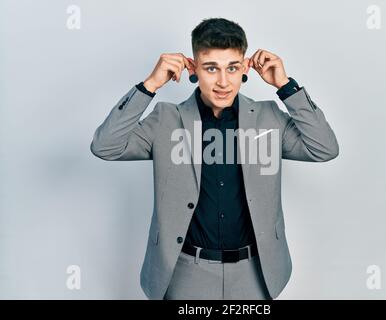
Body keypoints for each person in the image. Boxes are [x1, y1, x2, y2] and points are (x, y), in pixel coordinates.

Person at [90, 17, 339, 300]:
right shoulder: (166, 120)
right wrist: (149, 86)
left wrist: (285, 86)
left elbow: (324, 148)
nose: (223, 82)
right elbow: (105, 146)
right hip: (185, 274)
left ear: (245, 68)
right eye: (211, 69)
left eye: (232, 68)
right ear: (193, 69)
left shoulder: (269, 118)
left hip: (255, 275)